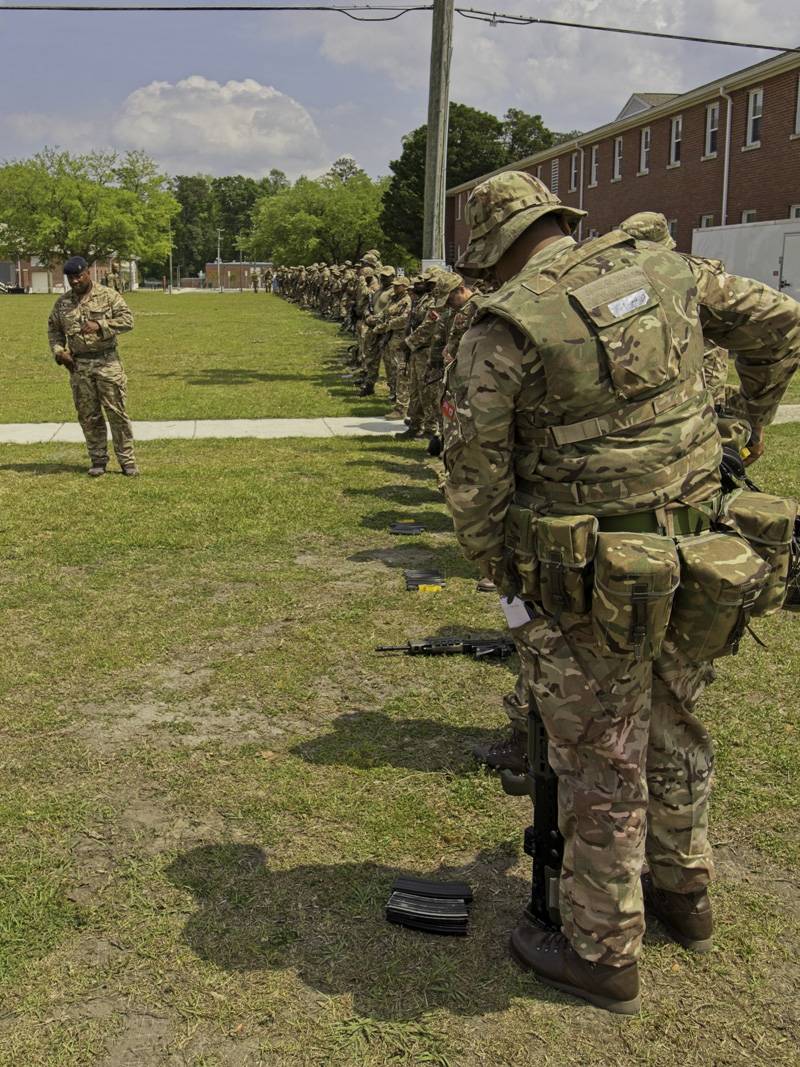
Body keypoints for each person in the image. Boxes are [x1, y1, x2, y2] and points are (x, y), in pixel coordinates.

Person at [443, 171, 800, 1014]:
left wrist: (508, 582)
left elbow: (474, 491)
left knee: (601, 759)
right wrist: (747, 430)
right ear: (559, 221)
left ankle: (602, 948)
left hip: (583, 585)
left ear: (491, 254)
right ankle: (686, 892)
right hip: (699, 560)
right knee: (676, 722)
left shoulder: (503, 330)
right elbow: (782, 324)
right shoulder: (672, 270)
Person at [47, 255, 139, 477]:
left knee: (117, 413)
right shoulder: (62, 303)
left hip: (107, 362)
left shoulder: (108, 295)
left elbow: (128, 320)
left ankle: (127, 461)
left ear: (88, 273)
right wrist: (60, 354)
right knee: (89, 416)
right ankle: (98, 460)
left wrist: (100, 325)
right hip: (79, 366)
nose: (75, 281)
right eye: (71, 278)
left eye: (78, 276)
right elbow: (54, 331)